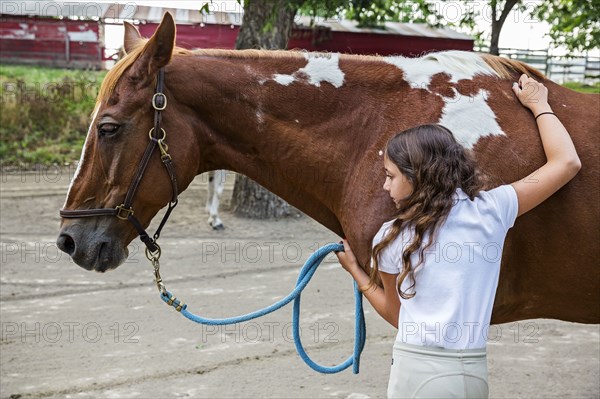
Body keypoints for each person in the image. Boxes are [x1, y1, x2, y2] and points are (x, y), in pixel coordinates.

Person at [335, 74, 581, 398]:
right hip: (472, 374)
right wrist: (540, 106)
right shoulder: (491, 211)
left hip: (415, 372)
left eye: (390, 176)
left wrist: (356, 273)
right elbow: (566, 162)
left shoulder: (392, 237)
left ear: (416, 177)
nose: (385, 187)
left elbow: (397, 317)